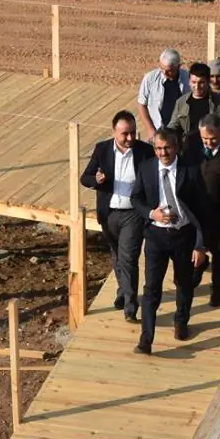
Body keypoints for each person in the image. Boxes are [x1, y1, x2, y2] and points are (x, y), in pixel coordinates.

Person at [130, 126, 211, 354]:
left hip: (183, 235)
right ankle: (146, 340)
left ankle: (181, 321)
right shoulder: (146, 168)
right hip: (156, 236)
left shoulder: (190, 170)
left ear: (176, 147)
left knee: (184, 283)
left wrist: (200, 245)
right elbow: (136, 198)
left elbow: (202, 209)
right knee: (151, 289)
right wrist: (151, 213)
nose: (163, 153)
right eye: (158, 148)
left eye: (166, 148)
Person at [79, 111, 153, 323]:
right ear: (114, 132)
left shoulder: (145, 151)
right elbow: (85, 178)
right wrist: (97, 179)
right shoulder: (102, 149)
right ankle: (123, 291)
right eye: (125, 134)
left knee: (128, 258)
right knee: (117, 256)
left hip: (133, 214)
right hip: (109, 213)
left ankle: (130, 307)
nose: (130, 138)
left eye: (133, 133)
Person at [190, 115, 220, 306]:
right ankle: (198, 269)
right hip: (197, 215)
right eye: (205, 139)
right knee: (194, 252)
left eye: (213, 139)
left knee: (219, 256)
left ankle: (217, 289)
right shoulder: (193, 149)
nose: (209, 143)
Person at [167, 62, 220, 156]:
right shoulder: (181, 102)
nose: (197, 87)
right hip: (189, 152)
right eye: (193, 82)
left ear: (208, 82)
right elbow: (172, 127)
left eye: (201, 83)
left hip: (215, 153)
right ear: (189, 81)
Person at [136, 48, 189, 136]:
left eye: (169, 70)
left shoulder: (188, 79)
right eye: (162, 68)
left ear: (178, 66)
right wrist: (150, 129)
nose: (164, 73)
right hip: (158, 130)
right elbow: (141, 104)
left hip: (181, 131)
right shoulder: (150, 78)